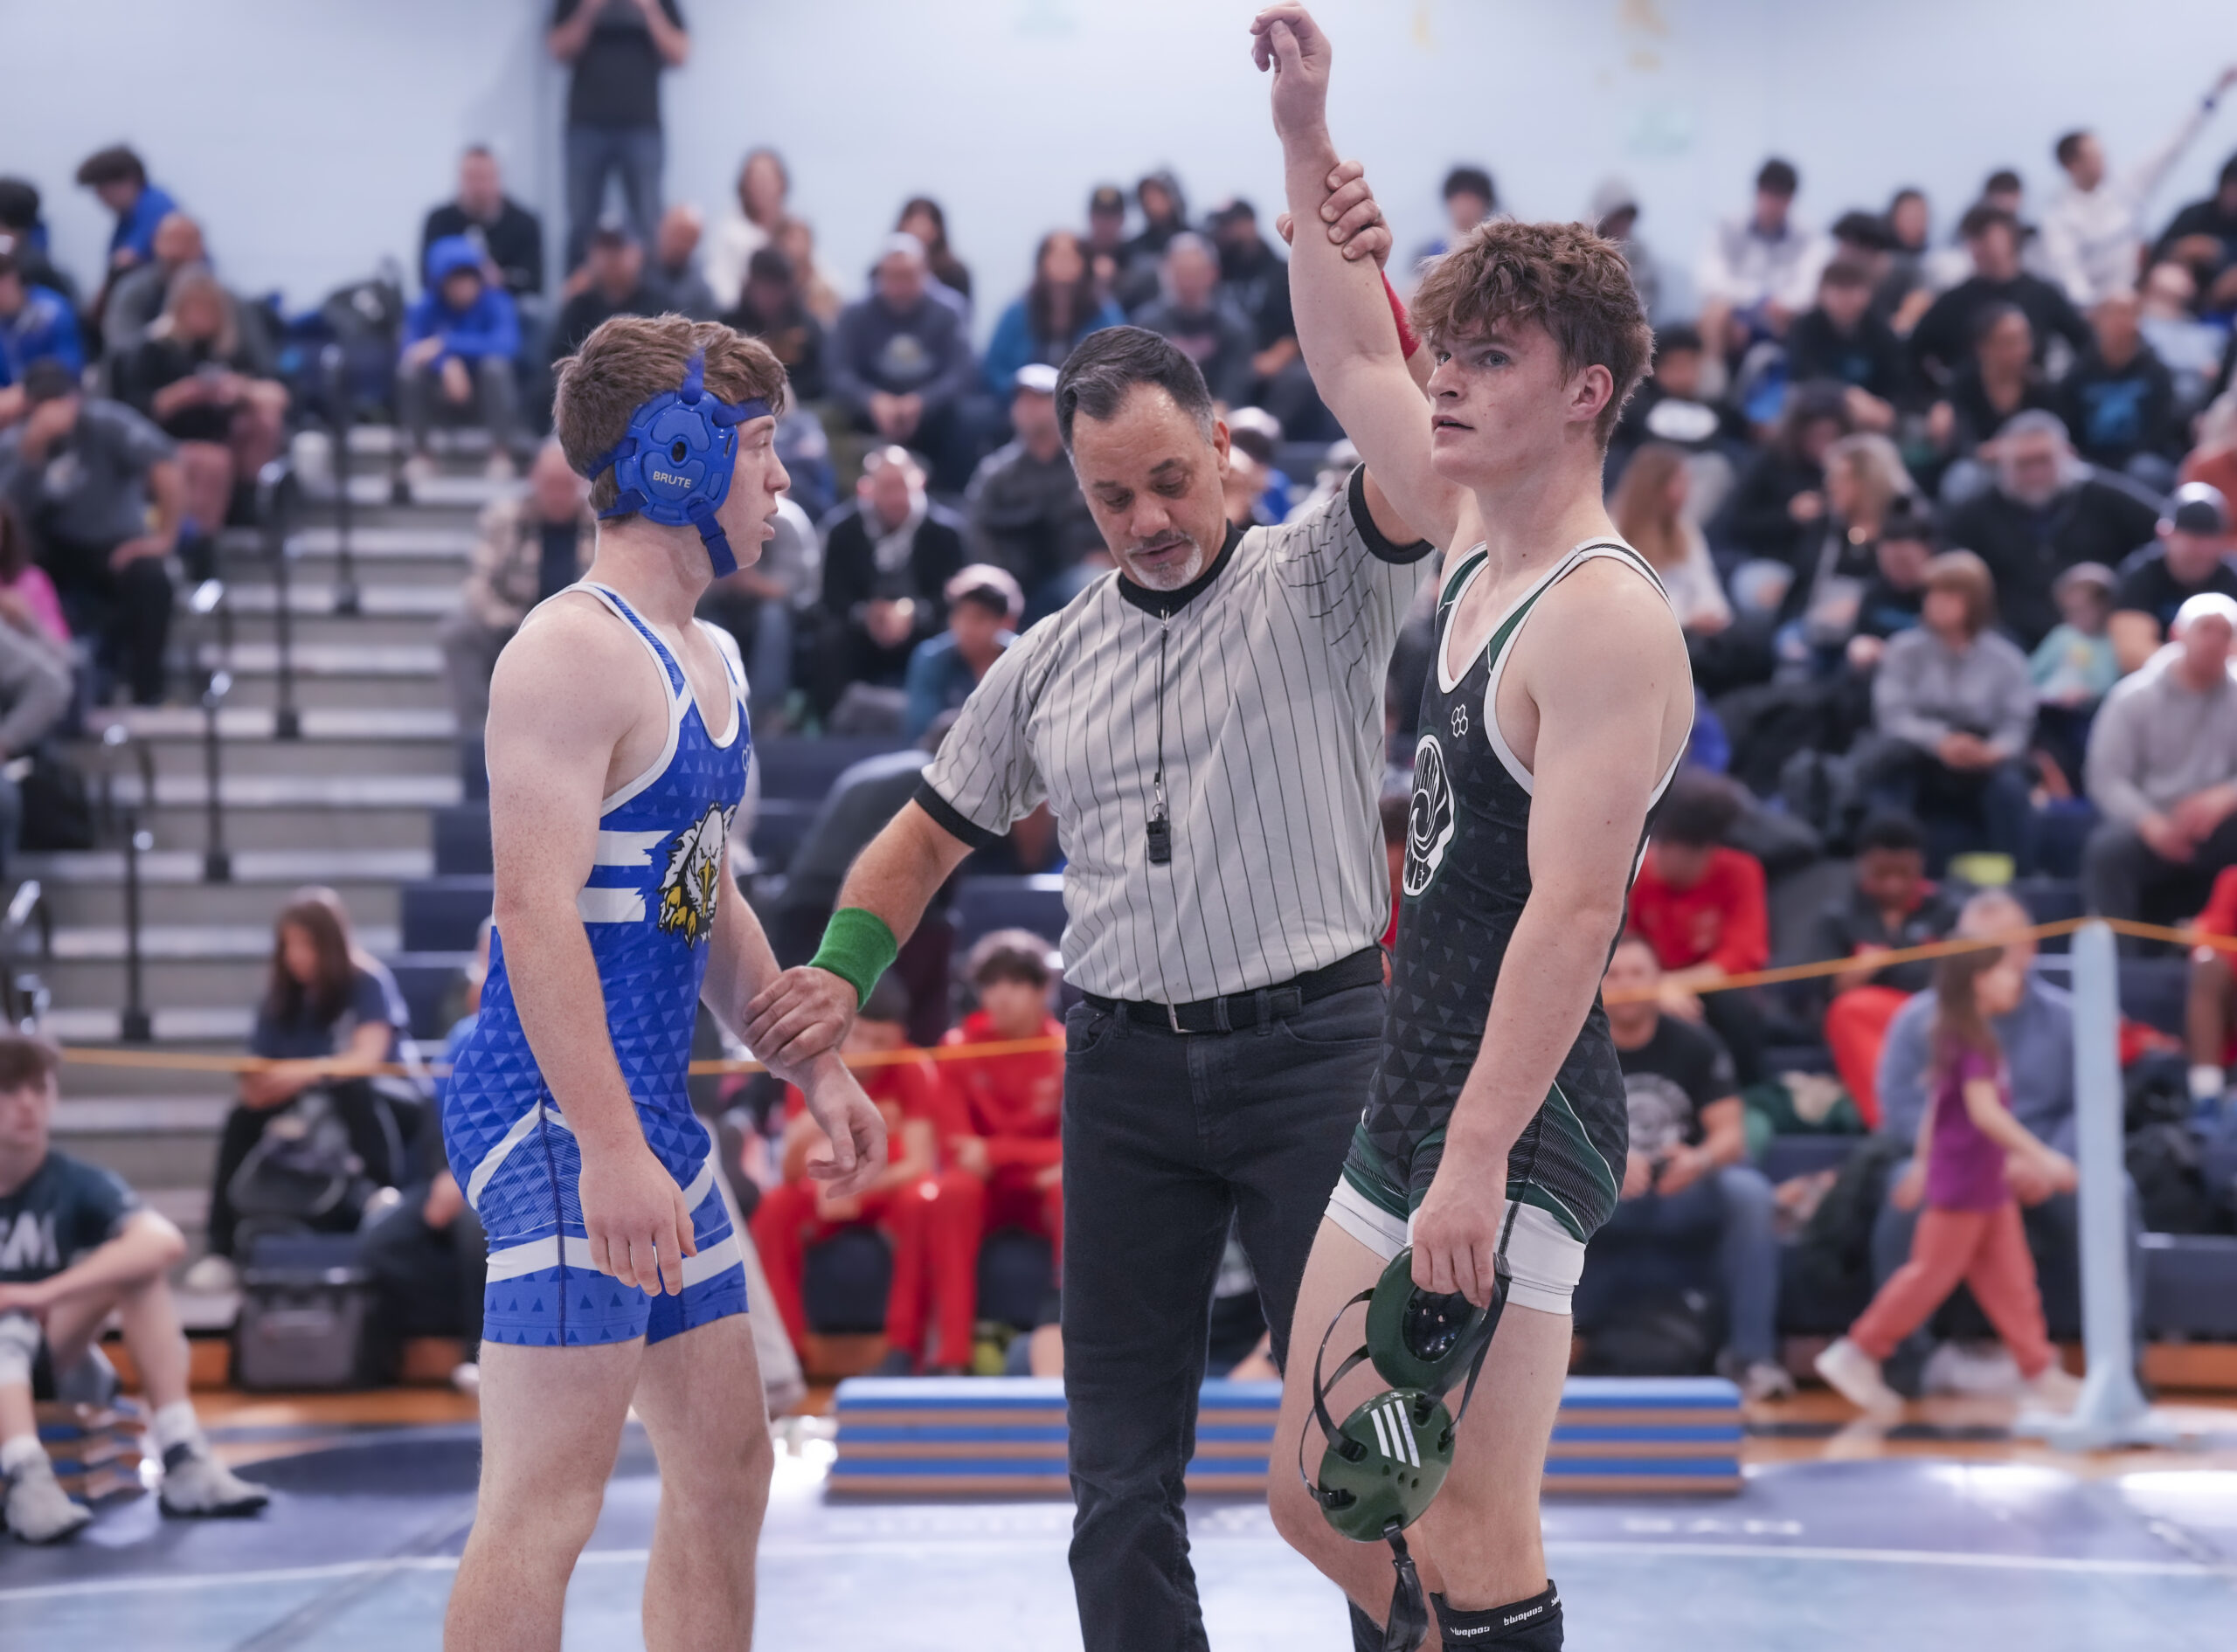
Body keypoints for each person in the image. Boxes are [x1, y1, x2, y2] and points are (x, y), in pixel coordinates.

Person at [742, 171, 1429, 1652]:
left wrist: (1336, 218)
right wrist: (842, 979)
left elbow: (1407, 431)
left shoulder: (1325, 578)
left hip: (1319, 1053)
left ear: (1226, 462)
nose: (1150, 518)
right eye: (1114, 495)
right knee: (1117, 1475)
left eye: (1173, 481)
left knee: (1367, 1451)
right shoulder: (1047, 660)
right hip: (1121, 1078)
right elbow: (910, 845)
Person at [1249, 14, 1689, 1649]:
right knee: (1324, 1494)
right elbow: (1350, 358)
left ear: (1585, 392)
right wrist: (1306, 140)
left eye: (1487, 359)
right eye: (1451, 352)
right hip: (1418, 1081)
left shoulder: (1600, 621)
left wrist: (1481, 1161)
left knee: (1471, 1522)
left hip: (1514, 1113)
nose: (1441, 378)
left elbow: (1572, 918)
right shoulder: (1469, 537)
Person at [439, 313, 884, 1652]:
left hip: (637, 1117)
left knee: (729, 1465)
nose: (784, 479)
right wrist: (614, 1147)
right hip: (561, 1113)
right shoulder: (569, 650)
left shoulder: (709, 655)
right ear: (676, 456)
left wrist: (809, 1060)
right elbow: (533, 914)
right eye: (760, 448)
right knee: (545, 1501)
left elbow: (706, 888)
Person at [0, 1035, 268, 1544]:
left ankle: (183, 1452)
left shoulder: (69, 1180)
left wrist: (44, 1293)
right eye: (10, 1090)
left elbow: (162, 1240)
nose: (27, 1104)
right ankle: (24, 1475)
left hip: (47, 1350)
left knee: (137, 1269)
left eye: (38, 1088)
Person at [1818, 942, 2081, 1416]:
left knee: (2013, 1281)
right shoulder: (1971, 1038)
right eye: (2006, 972)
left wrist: (1921, 1164)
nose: (2015, 981)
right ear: (1979, 980)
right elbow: (1985, 1113)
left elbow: (1939, 1107)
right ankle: (1857, 1351)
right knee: (1929, 1276)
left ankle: (2040, 1371)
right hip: (1963, 1184)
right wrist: (2044, 1157)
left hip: (1986, 1181)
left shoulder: (1964, 1033)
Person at [186, 889, 416, 1287]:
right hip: (303, 1102)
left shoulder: (368, 981)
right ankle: (220, 1251)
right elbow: (257, 1077)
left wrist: (306, 1073)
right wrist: (269, 1087)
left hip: (381, 1098)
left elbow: (368, 1057)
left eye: (306, 944)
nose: (296, 955)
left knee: (350, 1086)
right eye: (288, 945)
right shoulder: (280, 998)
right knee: (242, 1118)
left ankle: (381, 1192)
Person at [1592, 935, 1788, 1400]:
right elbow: (1544, 1132)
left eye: (1639, 973)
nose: (1628, 985)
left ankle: (1751, 1359)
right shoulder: (1576, 1046)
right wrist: (1607, 1164)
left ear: (1659, 982)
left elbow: (1731, 1134)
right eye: (1614, 975)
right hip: (1599, 1191)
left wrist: (1700, 1159)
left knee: (1748, 1192)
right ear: (1596, 985)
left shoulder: (1695, 1043)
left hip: (1682, 1186)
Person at [749, 978, 954, 1373]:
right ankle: (785, 1352)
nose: (868, 1052)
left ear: (900, 1038)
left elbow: (920, 1163)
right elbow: (790, 1172)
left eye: (882, 1042)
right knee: (775, 1209)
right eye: (860, 1037)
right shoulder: (811, 1064)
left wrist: (862, 1186)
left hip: (885, 1190)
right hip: (827, 1193)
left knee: (922, 1201)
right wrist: (813, 1125)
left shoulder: (912, 1068)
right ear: (843, 1028)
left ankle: (903, 1347)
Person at [0, 358, 183, 705]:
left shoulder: (106, 422)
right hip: (48, 548)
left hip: (113, 544)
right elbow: (6, 517)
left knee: (150, 579)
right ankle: (52, 698)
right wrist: (32, 453)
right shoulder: (16, 440)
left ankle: (148, 689)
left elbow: (166, 465)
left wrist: (164, 540)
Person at [360, 923, 493, 1396]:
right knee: (381, 1240)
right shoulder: (462, 1035)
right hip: (453, 1175)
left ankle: (483, 1353)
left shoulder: (549, 1032)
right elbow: (444, 1116)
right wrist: (446, 1175)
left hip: (507, 1178)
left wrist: (468, 1179)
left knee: (474, 1227)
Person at [928, 929, 1068, 1356]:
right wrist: (1026, 1158)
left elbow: (1076, 1151)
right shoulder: (957, 1048)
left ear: (1044, 989)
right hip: (985, 1192)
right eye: (991, 984)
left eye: (1016, 983)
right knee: (952, 1190)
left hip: (1040, 1191)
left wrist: (992, 1152)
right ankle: (950, 1355)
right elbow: (955, 1150)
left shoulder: (1067, 1051)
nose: (1002, 996)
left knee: (1071, 1184)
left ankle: (1069, 1327)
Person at [1863, 550, 2038, 871]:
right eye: (1932, 593)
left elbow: (2017, 724)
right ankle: (1889, 868)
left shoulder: (2007, 659)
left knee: (2011, 786)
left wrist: (1992, 752)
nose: (1937, 603)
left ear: (1975, 602)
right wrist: (1941, 741)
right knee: (1889, 766)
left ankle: (2021, 880)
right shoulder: (1904, 651)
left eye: (1950, 594)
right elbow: (1893, 716)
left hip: (1983, 759)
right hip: (1921, 754)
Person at [1941, 411, 2163, 649]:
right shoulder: (1978, 511)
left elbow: (2165, 532)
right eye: (2024, 464)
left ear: (2066, 455)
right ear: (2004, 465)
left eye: (2043, 460)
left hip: (2098, 633)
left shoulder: (2104, 497)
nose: (2035, 473)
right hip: (2011, 636)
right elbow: (1948, 558)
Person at [2084, 591, 2237, 926]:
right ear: (2177, 634)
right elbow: (2106, 779)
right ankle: (2122, 967)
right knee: (2108, 852)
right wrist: (2152, 825)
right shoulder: (2132, 698)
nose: (2215, 642)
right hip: (2149, 824)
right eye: (2205, 629)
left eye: (2225, 633)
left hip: (2221, 826)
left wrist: (2225, 797)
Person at [114, 266, 288, 537]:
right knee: (212, 462)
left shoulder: (224, 350)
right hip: (164, 439)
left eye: (210, 309)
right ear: (178, 308)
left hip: (215, 434)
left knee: (263, 422)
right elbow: (130, 410)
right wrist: (183, 395)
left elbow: (277, 395)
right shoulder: (152, 349)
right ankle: (200, 547)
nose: (203, 316)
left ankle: (246, 507)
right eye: (196, 307)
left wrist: (239, 391)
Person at [2040, 72, 2237, 309]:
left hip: (2137, 293)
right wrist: (2100, 309)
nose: (2102, 162)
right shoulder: (2059, 218)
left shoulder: (2123, 188)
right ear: (2071, 165)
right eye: (2093, 157)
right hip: (2097, 307)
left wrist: (2214, 95)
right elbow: (2070, 280)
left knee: (2171, 282)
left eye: (2102, 154)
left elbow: (2174, 146)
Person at [439, 439, 597, 732]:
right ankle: (479, 739)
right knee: (458, 633)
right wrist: (515, 626)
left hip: (584, 635)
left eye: (566, 485)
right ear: (533, 481)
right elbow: (478, 586)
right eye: (550, 484)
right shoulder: (503, 519)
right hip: (513, 628)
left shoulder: (602, 525)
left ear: (581, 485)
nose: (558, 495)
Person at [1816, 813, 1960, 1127]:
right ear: (1862, 867)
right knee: (1849, 1009)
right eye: (1881, 873)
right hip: (1871, 1022)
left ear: (1920, 866)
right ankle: (1889, 1123)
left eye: (1904, 873)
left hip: (1935, 1015)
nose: (1893, 883)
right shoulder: (1840, 916)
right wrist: (1848, 978)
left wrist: (1889, 962)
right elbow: (1817, 989)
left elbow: (1957, 976)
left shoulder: (1949, 910)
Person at [1627, 772, 1769, 1088]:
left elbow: (1740, 955)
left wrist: (1669, 986)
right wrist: (1655, 989)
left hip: (1707, 993)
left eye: (1694, 853)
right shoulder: (1637, 875)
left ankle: (1749, 1092)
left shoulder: (1740, 871)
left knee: (1735, 1005)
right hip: (1640, 985)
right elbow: (1623, 948)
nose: (1661, 860)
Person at [807, 446, 967, 721]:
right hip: (861, 628)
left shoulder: (946, 532)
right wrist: (867, 615)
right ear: (866, 489)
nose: (895, 497)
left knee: (953, 637)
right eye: (886, 487)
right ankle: (831, 722)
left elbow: (955, 597)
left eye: (901, 486)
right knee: (828, 639)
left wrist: (913, 614)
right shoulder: (841, 531)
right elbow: (832, 597)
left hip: (924, 625)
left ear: (919, 483)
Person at [828, 234, 980, 492]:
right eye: (892, 276)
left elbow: (962, 372)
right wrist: (872, 400)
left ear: (925, 273)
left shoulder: (949, 310)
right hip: (870, 414)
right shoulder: (855, 314)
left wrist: (922, 402)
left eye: (908, 276)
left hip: (932, 415)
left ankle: (953, 497)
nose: (900, 286)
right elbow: (837, 373)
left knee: (970, 419)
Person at [548, 0, 688, 268]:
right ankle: (578, 303)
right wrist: (589, 9)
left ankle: (653, 305)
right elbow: (557, 49)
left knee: (648, 221)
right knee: (581, 224)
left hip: (642, 125)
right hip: (585, 125)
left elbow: (680, 53)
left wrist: (650, 10)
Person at [1910, 206, 2092, 391]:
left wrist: (2064, 392)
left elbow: (2086, 343)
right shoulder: (1953, 302)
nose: (1977, 247)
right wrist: (1934, 399)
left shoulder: (2042, 294)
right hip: (1969, 406)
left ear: (2010, 237)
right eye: (1971, 239)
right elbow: (1913, 351)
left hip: (2031, 403)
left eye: (1985, 236)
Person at [965, 361, 1102, 605]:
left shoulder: (1089, 464)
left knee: (1094, 582)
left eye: (1038, 399)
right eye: (1021, 399)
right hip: (1011, 585)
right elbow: (977, 530)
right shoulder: (997, 474)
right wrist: (995, 576)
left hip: (1075, 578)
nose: (1027, 408)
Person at [399, 237, 523, 483]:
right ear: (440, 282)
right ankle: (421, 455)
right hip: (441, 394)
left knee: (495, 367)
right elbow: (410, 350)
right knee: (409, 371)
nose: (463, 285)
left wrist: (446, 343)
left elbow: (507, 346)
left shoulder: (497, 302)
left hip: (487, 395)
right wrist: (445, 364)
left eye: (469, 276)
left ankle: (501, 455)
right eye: (454, 278)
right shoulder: (424, 308)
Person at [1695, 156, 1829, 366]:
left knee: (1814, 315)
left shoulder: (1808, 234)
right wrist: (1757, 301)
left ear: (1791, 200)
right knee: (1714, 313)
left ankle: (1798, 381)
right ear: (1757, 193)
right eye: (1769, 194)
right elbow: (1710, 279)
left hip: (1786, 315)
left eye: (1781, 197)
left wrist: (1782, 305)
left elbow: (1811, 285)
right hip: (1736, 312)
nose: (1773, 204)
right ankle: (1715, 389)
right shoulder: (1728, 226)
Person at [2109, 482, 2237, 672]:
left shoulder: (2232, 577)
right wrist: (2191, 673)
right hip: (2157, 689)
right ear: (2164, 534)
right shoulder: (2140, 575)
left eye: (2209, 539)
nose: (2202, 550)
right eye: (2193, 538)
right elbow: (2132, 653)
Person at [982, 230, 1125, 399]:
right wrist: (1020, 393)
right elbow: (995, 367)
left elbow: (1119, 364)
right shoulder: (1018, 311)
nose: (1062, 264)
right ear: (1041, 263)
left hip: (1085, 406)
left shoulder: (1104, 312)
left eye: (1069, 257)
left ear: (1085, 264)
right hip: (1025, 404)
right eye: (1056, 256)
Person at [1608, 441, 1728, 635]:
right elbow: (1617, 604)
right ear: (1655, 485)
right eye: (1680, 482)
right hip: (1642, 633)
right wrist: (1686, 622)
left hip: (1695, 635)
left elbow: (1708, 589)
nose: (1687, 492)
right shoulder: (1614, 531)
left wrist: (1710, 616)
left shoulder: (1685, 529)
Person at [2060, 291, 2179, 486]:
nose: (2121, 322)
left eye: (2129, 313)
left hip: (2141, 459)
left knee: (2146, 470)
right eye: (2114, 314)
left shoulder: (2156, 372)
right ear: (2096, 319)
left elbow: (2162, 429)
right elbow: (2068, 428)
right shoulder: (2077, 374)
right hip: (2090, 459)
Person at [1128, 232, 1257, 407]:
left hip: (1220, 415)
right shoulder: (1145, 326)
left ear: (1212, 273)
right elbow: (1142, 386)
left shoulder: (1235, 328)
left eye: (1194, 272)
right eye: (1180, 272)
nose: (1187, 281)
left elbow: (1233, 390)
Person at [1785, 258, 1910, 425]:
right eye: (1838, 288)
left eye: (1853, 289)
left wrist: (1888, 408)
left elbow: (1897, 379)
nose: (1846, 298)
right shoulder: (1805, 327)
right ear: (1821, 293)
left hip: (1871, 413)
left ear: (1869, 293)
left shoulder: (1881, 330)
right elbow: (1804, 373)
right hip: (1816, 410)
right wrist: (1847, 395)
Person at [904, 563, 1021, 739]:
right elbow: (922, 731)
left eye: (979, 618)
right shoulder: (932, 657)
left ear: (1007, 622)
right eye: (960, 615)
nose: (966, 627)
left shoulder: (1024, 658)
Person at [421, 145, 546, 306]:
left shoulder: (525, 223)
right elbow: (426, 277)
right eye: (471, 178)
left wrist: (500, 279)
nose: (478, 187)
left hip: (507, 308)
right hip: (449, 309)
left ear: (498, 178)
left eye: (484, 178)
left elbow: (533, 282)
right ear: (460, 179)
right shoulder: (438, 220)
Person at [97, 211, 211, 360]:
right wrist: (159, 336)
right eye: (171, 241)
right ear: (155, 244)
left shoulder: (216, 296)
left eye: (186, 242)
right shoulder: (132, 290)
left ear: (201, 248)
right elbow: (120, 347)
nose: (176, 251)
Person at [723, 245, 825, 404]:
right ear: (750, 285)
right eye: (764, 287)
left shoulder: (807, 327)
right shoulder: (730, 327)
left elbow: (821, 376)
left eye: (776, 289)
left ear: (788, 290)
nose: (769, 297)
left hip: (801, 404)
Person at [549, 225, 661, 365]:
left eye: (618, 248)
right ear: (590, 256)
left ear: (638, 254)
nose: (611, 257)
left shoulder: (658, 303)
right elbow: (555, 363)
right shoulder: (579, 307)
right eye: (604, 249)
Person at [73, 146, 178, 285]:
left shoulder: (156, 206)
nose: (100, 197)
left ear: (129, 180)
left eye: (103, 188)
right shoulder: (125, 219)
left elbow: (125, 260)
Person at [703, 148, 790, 315]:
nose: (761, 185)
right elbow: (721, 290)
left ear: (781, 183)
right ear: (744, 186)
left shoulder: (793, 230)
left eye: (767, 178)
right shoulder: (729, 233)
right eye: (755, 179)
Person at [0, 249, 83, 423]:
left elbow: (68, 369)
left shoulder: (52, 311)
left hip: (52, 400)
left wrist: (24, 392)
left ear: (18, 275)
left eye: (4, 274)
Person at [2152, 151, 2237, 304]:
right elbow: (2157, 253)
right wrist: (2181, 251)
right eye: (2233, 187)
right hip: (2182, 298)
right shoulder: (2194, 213)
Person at [1589, 177, 1661, 321]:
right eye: (1618, 217)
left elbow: (1648, 297)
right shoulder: (1582, 247)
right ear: (1605, 216)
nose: (1623, 223)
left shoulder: (1639, 253)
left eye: (1627, 217)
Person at [1412, 163, 1496, 266]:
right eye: (1461, 199)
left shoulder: (1495, 253)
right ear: (1449, 201)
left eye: (1472, 201)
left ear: (1485, 205)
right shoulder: (1426, 253)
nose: (1466, 207)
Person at [897, 196, 973, 308]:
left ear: (938, 230)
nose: (919, 231)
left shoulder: (955, 274)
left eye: (924, 225)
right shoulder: (881, 271)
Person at [648, 204, 717, 319]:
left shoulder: (701, 292)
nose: (681, 244)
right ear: (662, 229)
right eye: (678, 234)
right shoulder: (634, 273)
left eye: (689, 239)